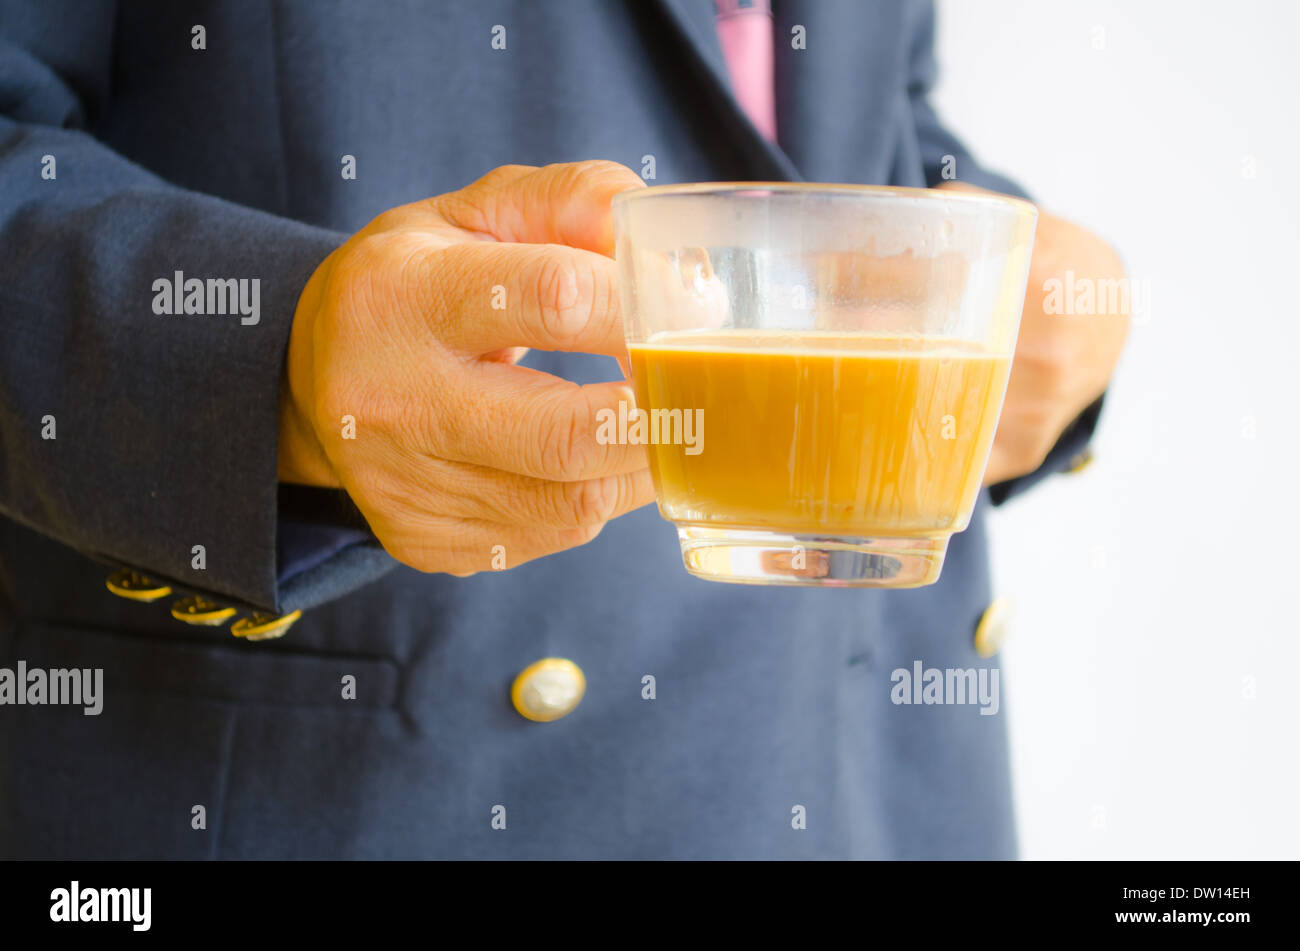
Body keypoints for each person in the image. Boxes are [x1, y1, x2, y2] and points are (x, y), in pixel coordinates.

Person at [0, 0, 1127, 858]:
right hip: (380, 790)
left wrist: (1019, 273)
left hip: (871, 777)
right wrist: (281, 356)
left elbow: (859, 115)